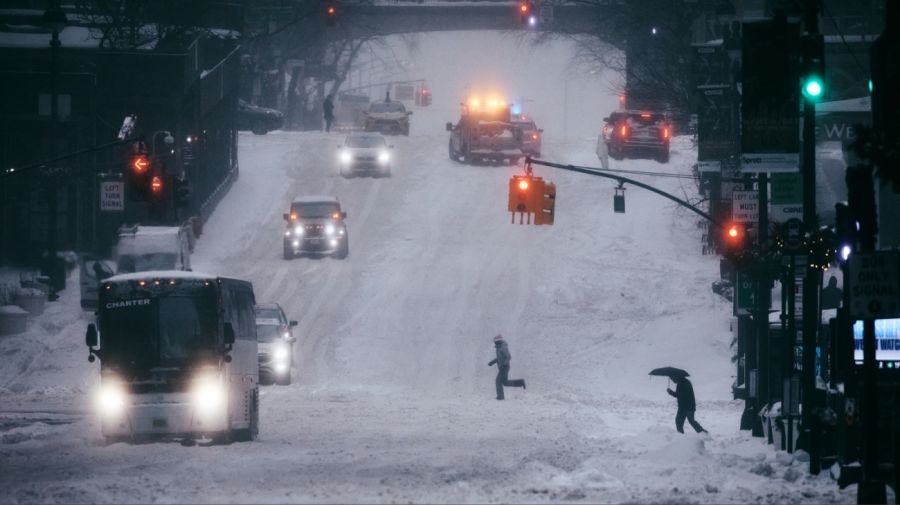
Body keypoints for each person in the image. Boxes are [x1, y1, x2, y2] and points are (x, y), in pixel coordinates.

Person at [487, 334, 525, 400]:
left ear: (498, 341)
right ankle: (520, 382)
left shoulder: (503, 347)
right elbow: (499, 358)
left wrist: (504, 364)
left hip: (504, 367)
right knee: (505, 382)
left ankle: (500, 396)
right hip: (503, 367)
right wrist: (492, 362)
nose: (494, 342)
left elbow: (508, 356)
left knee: (498, 381)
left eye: (495, 341)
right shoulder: (499, 348)